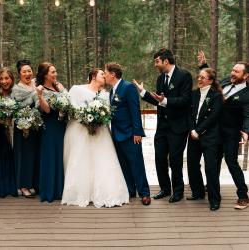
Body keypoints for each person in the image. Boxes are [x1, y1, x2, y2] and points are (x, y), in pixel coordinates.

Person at [62, 68, 129, 208]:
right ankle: (82, 192)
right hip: (81, 131)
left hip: (100, 132)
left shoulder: (106, 94)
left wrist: (99, 119)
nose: (104, 76)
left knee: (102, 160)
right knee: (82, 161)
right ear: (93, 76)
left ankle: (104, 192)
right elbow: (70, 109)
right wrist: (85, 119)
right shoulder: (77, 89)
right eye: (101, 74)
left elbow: (108, 113)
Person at [134, 48, 193, 203]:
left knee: (175, 160)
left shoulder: (184, 75)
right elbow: (158, 100)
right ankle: (165, 189)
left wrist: (164, 101)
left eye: (157, 61)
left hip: (178, 127)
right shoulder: (160, 79)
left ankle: (178, 191)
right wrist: (143, 93)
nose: (155, 65)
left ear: (166, 61)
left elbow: (185, 100)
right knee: (159, 158)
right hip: (162, 128)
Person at [198, 51, 249, 210]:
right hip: (214, 131)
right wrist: (204, 65)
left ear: (246, 76)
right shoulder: (226, 82)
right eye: (233, 70)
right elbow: (214, 83)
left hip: (231, 133)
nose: (232, 73)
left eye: (236, 71)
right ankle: (212, 187)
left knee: (231, 162)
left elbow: (248, 114)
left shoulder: (247, 94)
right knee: (213, 161)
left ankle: (243, 195)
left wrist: (246, 130)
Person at [105, 62, 151, 206]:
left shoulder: (128, 87)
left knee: (136, 164)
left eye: (106, 73)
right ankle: (131, 190)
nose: (105, 75)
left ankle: (144, 193)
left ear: (113, 74)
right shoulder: (113, 91)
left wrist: (137, 132)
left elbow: (135, 110)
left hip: (130, 134)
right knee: (124, 165)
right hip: (117, 134)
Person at [187, 67, 223, 211]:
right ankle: (198, 192)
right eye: (199, 77)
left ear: (210, 80)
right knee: (192, 164)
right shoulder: (194, 94)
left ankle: (214, 199)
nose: (199, 80)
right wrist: (192, 130)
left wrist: (198, 130)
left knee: (211, 168)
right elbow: (189, 114)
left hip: (210, 136)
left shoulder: (216, 96)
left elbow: (214, 116)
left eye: (203, 77)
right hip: (193, 135)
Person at [36, 62, 66, 202]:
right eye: (53, 72)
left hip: (62, 126)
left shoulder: (58, 86)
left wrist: (62, 90)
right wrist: (40, 96)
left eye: (56, 71)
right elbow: (47, 110)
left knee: (61, 156)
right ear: (45, 74)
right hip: (50, 127)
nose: (56, 74)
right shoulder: (41, 89)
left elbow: (67, 102)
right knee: (50, 157)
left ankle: (61, 190)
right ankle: (49, 191)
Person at [11, 59, 40, 198]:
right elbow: (18, 107)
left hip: (35, 125)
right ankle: (23, 186)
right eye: (24, 71)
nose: (27, 73)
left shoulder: (35, 85)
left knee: (34, 154)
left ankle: (34, 183)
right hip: (22, 127)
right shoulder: (16, 89)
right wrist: (35, 92)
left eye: (29, 71)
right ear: (19, 74)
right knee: (24, 155)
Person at [0, 68, 17, 197]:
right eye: (1, 79)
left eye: (7, 78)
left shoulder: (15, 93)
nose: (4, 81)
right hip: (0, 129)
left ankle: (11, 185)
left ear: (12, 79)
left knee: (10, 155)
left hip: (12, 129)